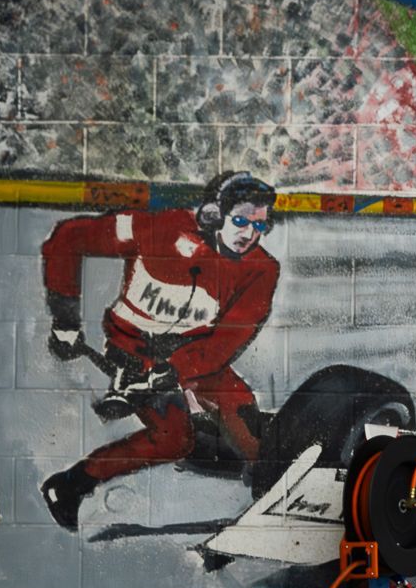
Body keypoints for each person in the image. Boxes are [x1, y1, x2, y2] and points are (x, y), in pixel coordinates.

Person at [38, 172, 282, 532]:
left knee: (241, 407)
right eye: (241, 221)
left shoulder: (261, 270)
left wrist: (177, 370)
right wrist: (65, 319)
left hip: (197, 356)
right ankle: (71, 484)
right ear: (214, 214)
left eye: (259, 225)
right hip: (133, 349)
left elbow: (228, 340)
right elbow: (67, 239)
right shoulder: (156, 228)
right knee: (173, 439)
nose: (249, 234)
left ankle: (272, 492)